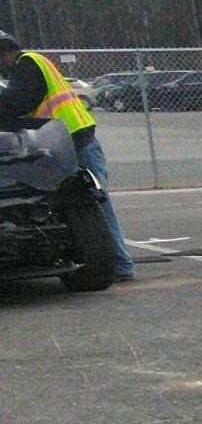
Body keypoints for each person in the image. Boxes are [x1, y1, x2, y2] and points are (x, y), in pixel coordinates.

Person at [0, 28, 135, 281]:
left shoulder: (29, 64)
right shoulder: (28, 67)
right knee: (90, 204)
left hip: (73, 140)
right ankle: (115, 263)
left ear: (4, 53)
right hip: (66, 140)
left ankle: (119, 265)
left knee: (90, 203)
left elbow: (18, 102)